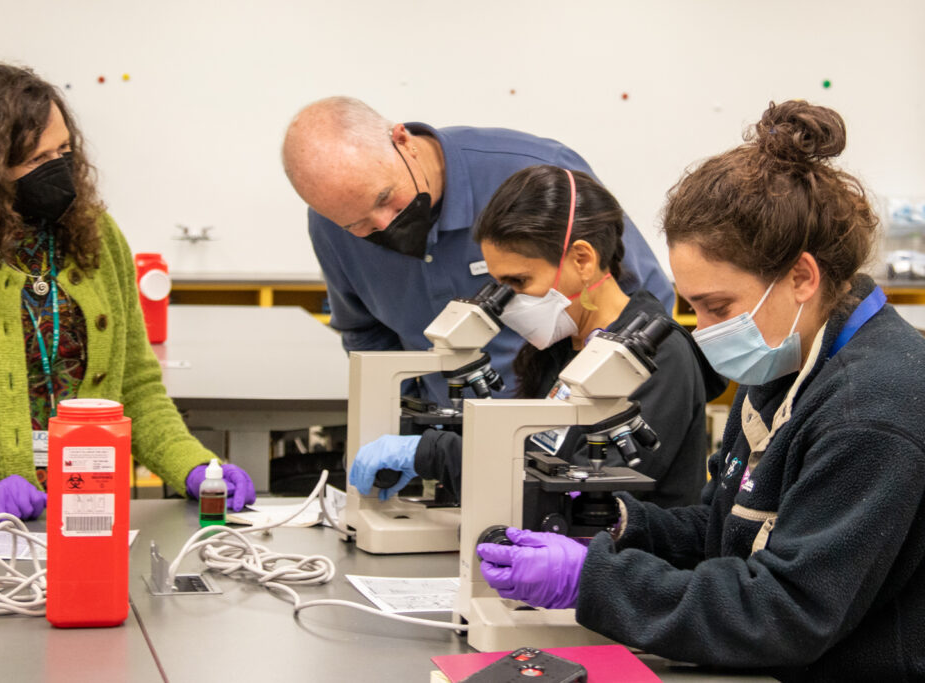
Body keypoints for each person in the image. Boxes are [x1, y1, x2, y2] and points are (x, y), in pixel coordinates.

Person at [475, 101, 925, 681]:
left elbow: (784, 613)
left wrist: (591, 581)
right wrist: (615, 522)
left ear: (802, 278)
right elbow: (722, 530)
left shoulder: (872, 410)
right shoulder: (786, 364)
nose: (704, 330)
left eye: (718, 307)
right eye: (692, 307)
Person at [0, 63, 255, 520]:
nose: (58, 170)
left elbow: (136, 389)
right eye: (34, 160)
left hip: (91, 515)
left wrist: (193, 467)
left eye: (63, 149)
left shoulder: (96, 237)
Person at [350, 165, 722, 507]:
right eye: (498, 284)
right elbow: (530, 460)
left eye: (519, 281)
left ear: (582, 260)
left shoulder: (655, 357)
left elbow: (583, 495)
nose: (508, 302)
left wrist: (439, 454)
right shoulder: (565, 345)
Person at [281, 97, 674, 406]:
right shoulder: (330, 228)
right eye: (357, 225)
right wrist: (412, 432)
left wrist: (578, 419)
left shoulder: (529, 173)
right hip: (450, 448)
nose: (384, 226)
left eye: (387, 198)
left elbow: (641, 302)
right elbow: (366, 336)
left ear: (402, 141)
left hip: (564, 430)